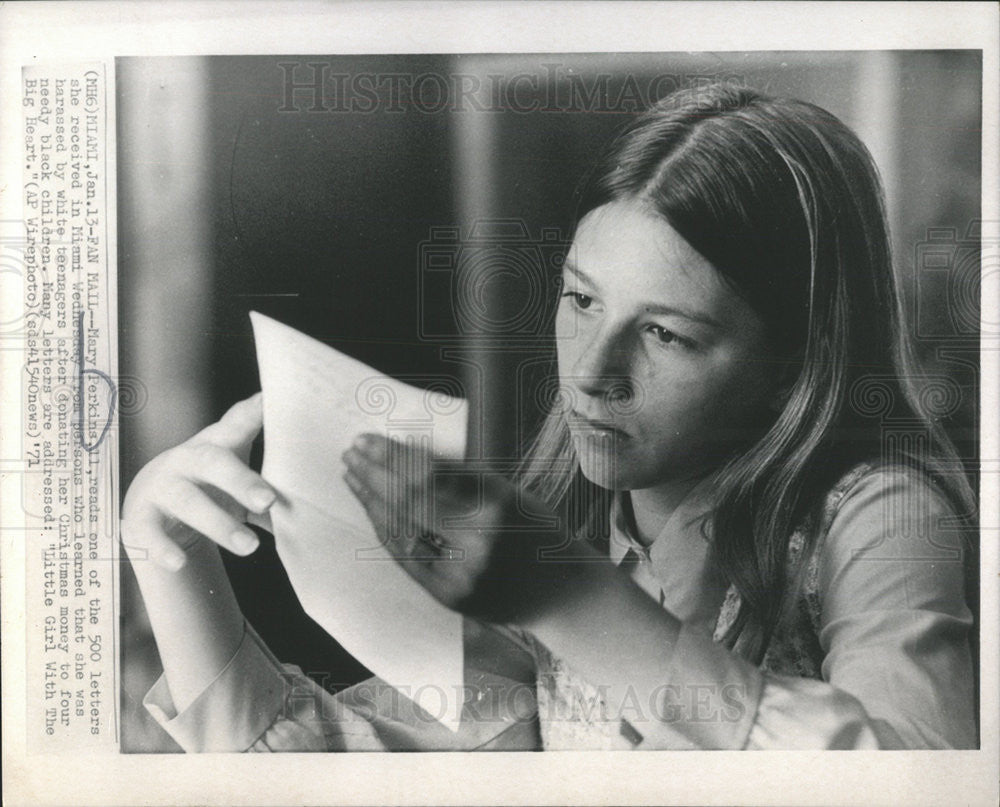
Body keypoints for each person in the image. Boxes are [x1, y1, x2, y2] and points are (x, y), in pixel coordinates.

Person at [122, 83, 978, 751]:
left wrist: (572, 597)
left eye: (665, 333)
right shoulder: (566, 523)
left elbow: (916, 775)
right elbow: (338, 770)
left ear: (795, 360)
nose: (593, 372)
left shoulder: (880, 512)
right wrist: (172, 562)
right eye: (579, 299)